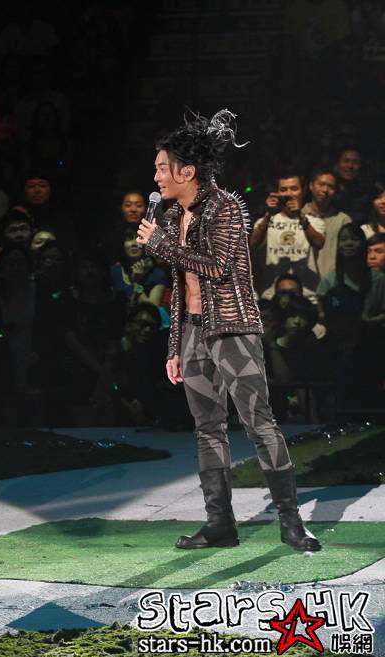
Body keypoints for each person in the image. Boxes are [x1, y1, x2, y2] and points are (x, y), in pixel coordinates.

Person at [137, 109, 320, 553]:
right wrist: (174, 345)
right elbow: (181, 287)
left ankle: (291, 522)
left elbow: (217, 267)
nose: (156, 177)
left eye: (162, 168)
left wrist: (161, 245)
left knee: (259, 423)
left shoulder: (226, 208)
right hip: (192, 331)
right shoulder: (171, 216)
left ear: (187, 171)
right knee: (207, 428)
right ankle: (220, 523)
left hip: (233, 328)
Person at [249, 171, 325, 301]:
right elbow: (252, 244)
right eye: (283, 190)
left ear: (303, 191)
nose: (289, 194)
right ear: (277, 193)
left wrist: (300, 215)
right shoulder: (265, 220)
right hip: (272, 296)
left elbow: (319, 243)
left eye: (294, 189)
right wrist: (268, 215)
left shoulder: (315, 221)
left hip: (307, 296)